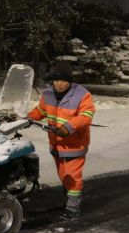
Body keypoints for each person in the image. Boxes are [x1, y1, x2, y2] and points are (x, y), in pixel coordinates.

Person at [26, 61, 95, 220]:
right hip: (56, 145)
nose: (59, 84)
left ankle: (72, 210)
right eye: (56, 80)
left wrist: (68, 127)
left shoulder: (82, 95)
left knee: (71, 177)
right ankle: (70, 199)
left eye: (63, 80)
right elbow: (41, 110)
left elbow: (86, 116)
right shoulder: (48, 93)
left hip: (74, 145)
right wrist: (28, 118)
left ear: (69, 80)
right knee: (64, 176)